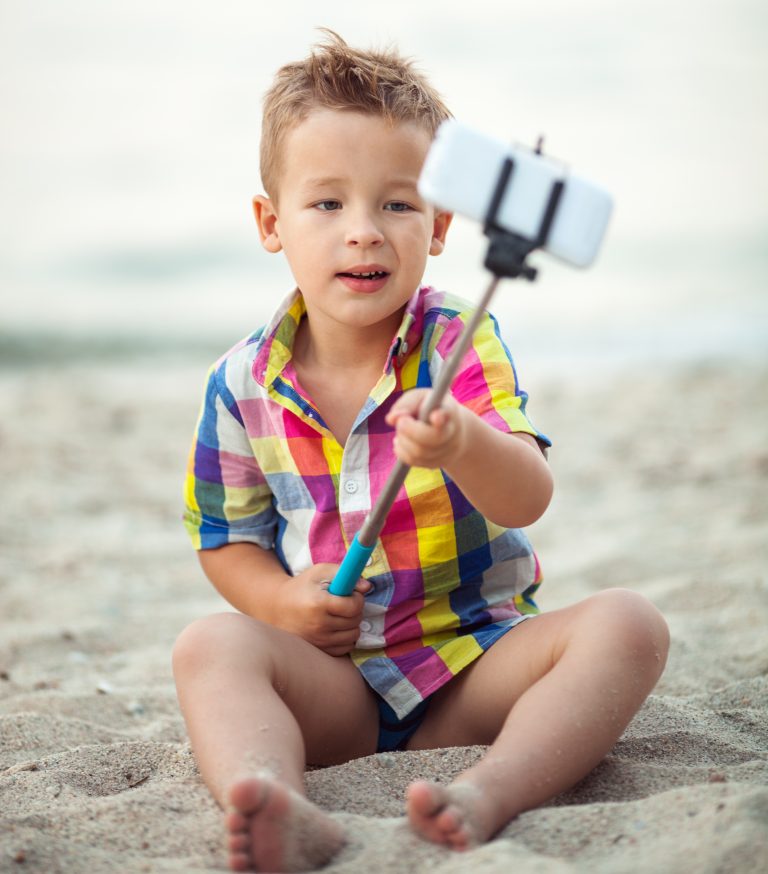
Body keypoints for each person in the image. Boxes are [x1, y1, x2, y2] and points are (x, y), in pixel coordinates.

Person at [173, 30, 669, 873]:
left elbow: (526, 498)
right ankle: (281, 801)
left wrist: (462, 441)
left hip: (476, 670)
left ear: (439, 226)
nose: (363, 233)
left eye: (397, 204)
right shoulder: (241, 382)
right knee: (208, 647)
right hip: (340, 694)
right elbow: (224, 541)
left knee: (630, 625)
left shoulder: (456, 343)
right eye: (327, 204)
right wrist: (284, 608)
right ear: (270, 222)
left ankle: (490, 791)